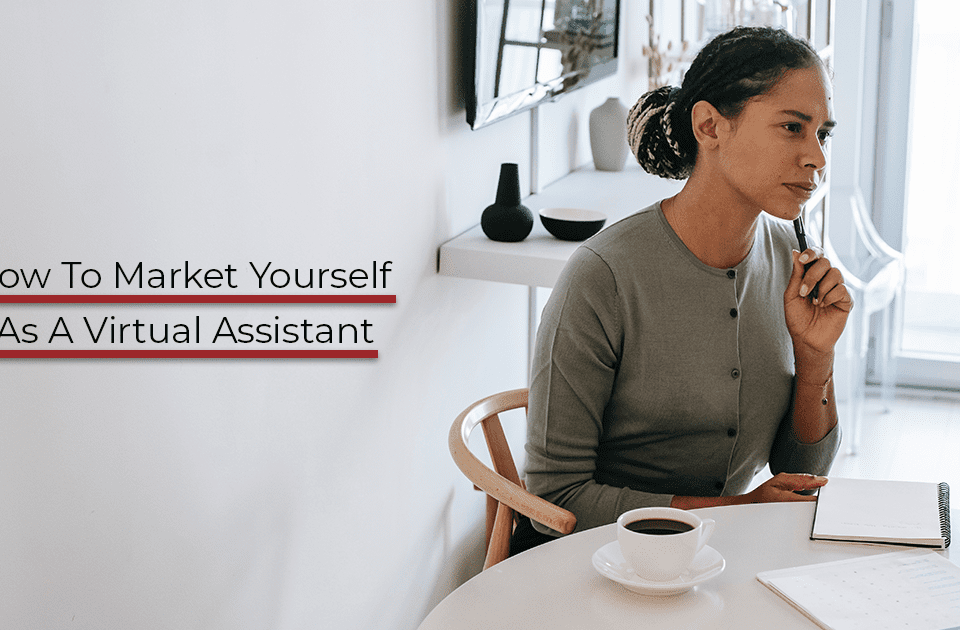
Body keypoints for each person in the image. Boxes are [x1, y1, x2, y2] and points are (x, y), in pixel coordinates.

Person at [512, 26, 852, 553]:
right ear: (710, 125)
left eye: (822, 134)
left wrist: (816, 358)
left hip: (719, 556)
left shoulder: (793, 263)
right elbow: (556, 497)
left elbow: (801, 472)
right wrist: (734, 512)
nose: (817, 158)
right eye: (792, 128)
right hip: (593, 560)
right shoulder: (603, 276)